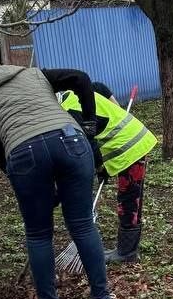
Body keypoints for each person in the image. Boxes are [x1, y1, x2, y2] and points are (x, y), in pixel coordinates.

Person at [0, 59, 115, 299]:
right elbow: (80, 76)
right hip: (70, 141)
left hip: (24, 155)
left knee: (38, 235)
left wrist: (35, 186)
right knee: (82, 225)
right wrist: (90, 123)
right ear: (0, 67)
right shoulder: (33, 74)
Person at [59, 82, 157, 264]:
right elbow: (99, 90)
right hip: (130, 142)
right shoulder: (73, 94)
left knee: (128, 199)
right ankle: (128, 249)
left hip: (130, 145)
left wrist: (99, 168)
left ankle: (127, 253)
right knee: (130, 198)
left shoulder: (69, 110)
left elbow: (88, 141)